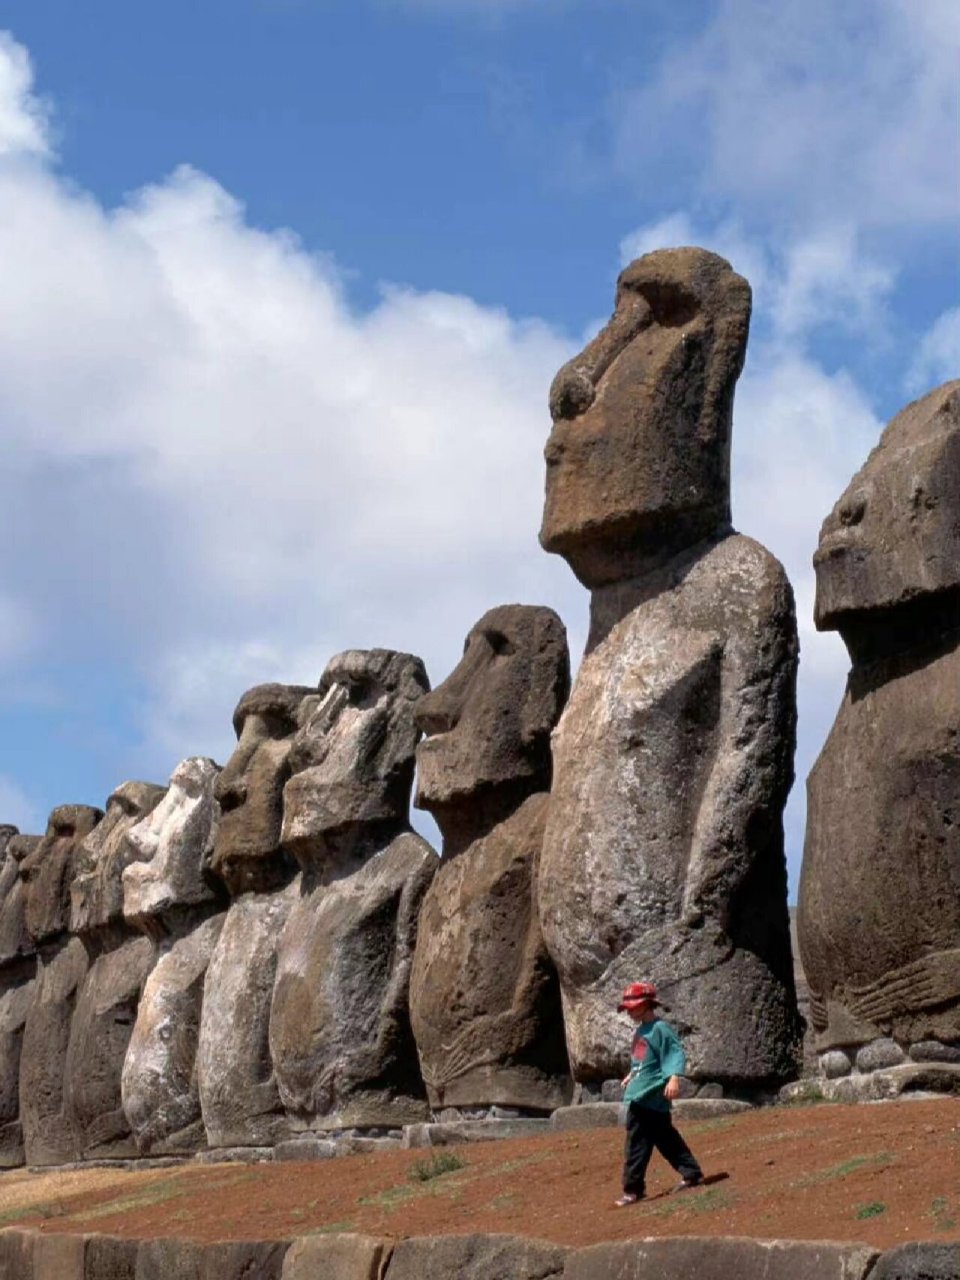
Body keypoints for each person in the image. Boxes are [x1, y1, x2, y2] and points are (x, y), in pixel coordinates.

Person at [615, 981, 703, 1207]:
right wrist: (631, 1075)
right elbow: (642, 1060)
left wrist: (674, 1077)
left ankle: (633, 1190)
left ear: (647, 1004)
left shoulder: (660, 1028)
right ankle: (691, 1172)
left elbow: (674, 1052)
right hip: (642, 1091)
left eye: (634, 1006)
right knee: (665, 1138)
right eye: (628, 1008)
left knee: (637, 1143)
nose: (630, 1011)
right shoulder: (641, 1031)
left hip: (650, 1094)